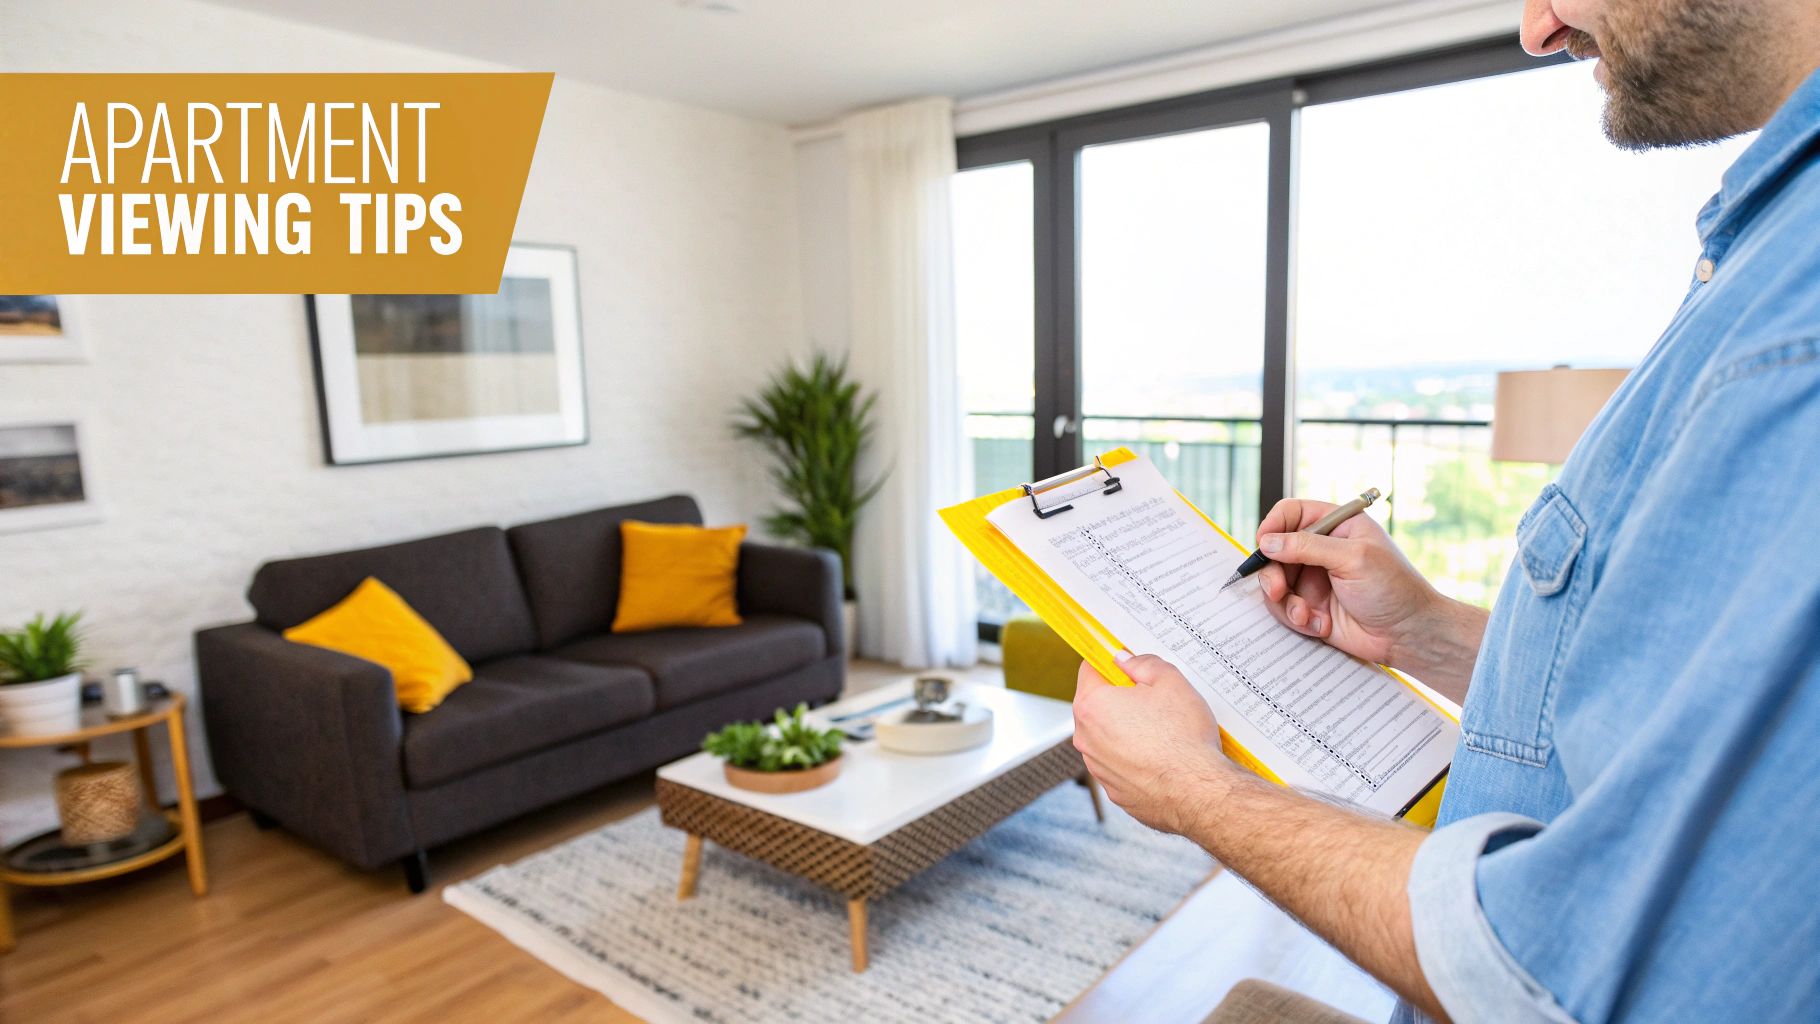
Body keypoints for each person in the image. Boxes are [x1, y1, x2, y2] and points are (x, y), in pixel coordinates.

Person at [1069, 0, 1820, 1021]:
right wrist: (1419, 628)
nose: (1538, 26)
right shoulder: (1769, 256)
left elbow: (1552, 971)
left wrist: (1197, 791)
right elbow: (1647, 715)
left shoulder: (1794, 331)